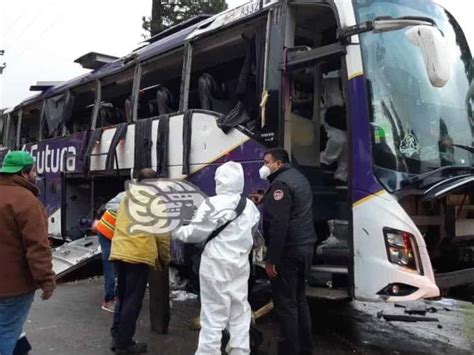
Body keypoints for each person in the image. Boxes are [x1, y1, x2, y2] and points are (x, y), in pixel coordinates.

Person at [172, 161, 260, 355]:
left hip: (215, 265)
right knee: (239, 309)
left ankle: (208, 352)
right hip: (240, 263)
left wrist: (177, 231)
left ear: (219, 180)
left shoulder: (212, 203)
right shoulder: (250, 206)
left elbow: (196, 233)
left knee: (213, 313)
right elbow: (253, 232)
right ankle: (240, 350)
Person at [257, 148, 317, 355]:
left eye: (267, 162)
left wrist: (271, 259)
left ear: (278, 164)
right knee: (300, 300)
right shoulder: (297, 177)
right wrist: (265, 199)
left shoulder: (280, 185)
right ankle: (305, 348)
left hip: (288, 252)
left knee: (286, 305)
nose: (264, 167)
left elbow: (279, 224)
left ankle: (290, 350)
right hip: (306, 246)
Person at [109, 168, 170, 355]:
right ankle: (124, 344)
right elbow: (162, 235)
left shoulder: (127, 197)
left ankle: (117, 335)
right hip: (138, 254)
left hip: (119, 252)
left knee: (123, 295)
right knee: (133, 301)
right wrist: (164, 258)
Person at [0, 150, 55, 355]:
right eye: (33, 170)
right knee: (6, 332)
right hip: (13, 285)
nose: (35, 175)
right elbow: (37, 246)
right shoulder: (27, 201)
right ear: (24, 173)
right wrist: (47, 280)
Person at [94, 191, 125, 312]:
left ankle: (117, 295)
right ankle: (109, 300)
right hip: (106, 231)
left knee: (117, 265)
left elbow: (107, 205)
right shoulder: (134, 197)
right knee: (110, 266)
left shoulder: (127, 193)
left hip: (110, 230)